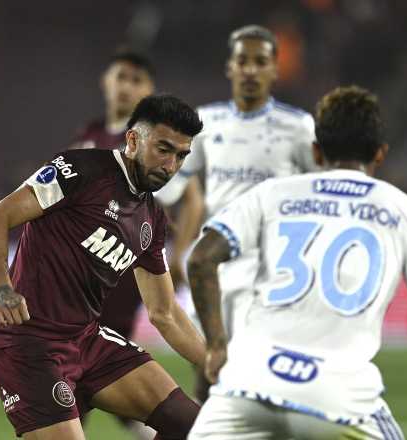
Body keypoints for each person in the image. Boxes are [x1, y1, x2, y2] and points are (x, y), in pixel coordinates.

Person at [186, 86, 407, 439]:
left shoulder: (272, 194)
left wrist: (215, 345)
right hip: (338, 400)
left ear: (316, 152)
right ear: (380, 155)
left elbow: (200, 259)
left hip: (246, 385)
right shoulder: (406, 213)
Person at [0, 94, 206, 440]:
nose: (170, 166)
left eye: (180, 156)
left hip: (85, 339)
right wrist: (2, 287)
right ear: (133, 139)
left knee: (196, 429)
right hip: (26, 342)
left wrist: (218, 364)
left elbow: (166, 313)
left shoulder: (152, 219)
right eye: (163, 149)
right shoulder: (80, 170)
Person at [162, 24, 319, 401]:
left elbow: (319, 191)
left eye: (260, 61)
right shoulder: (205, 123)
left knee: (264, 382)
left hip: (273, 272)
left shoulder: (298, 127)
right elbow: (174, 186)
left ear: (274, 70)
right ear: (229, 67)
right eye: (242, 61)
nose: (250, 70)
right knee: (208, 374)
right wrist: (177, 245)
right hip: (215, 270)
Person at [67, 47, 159, 440]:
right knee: (98, 375)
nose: (125, 87)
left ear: (150, 89)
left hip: (119, 273)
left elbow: (187, 197)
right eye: (120, 77)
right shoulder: (86, 137)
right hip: (81, 276)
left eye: (136, 80)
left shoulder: (151, 142)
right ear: (106, 82)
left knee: (82, 374)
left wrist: (182, 247)